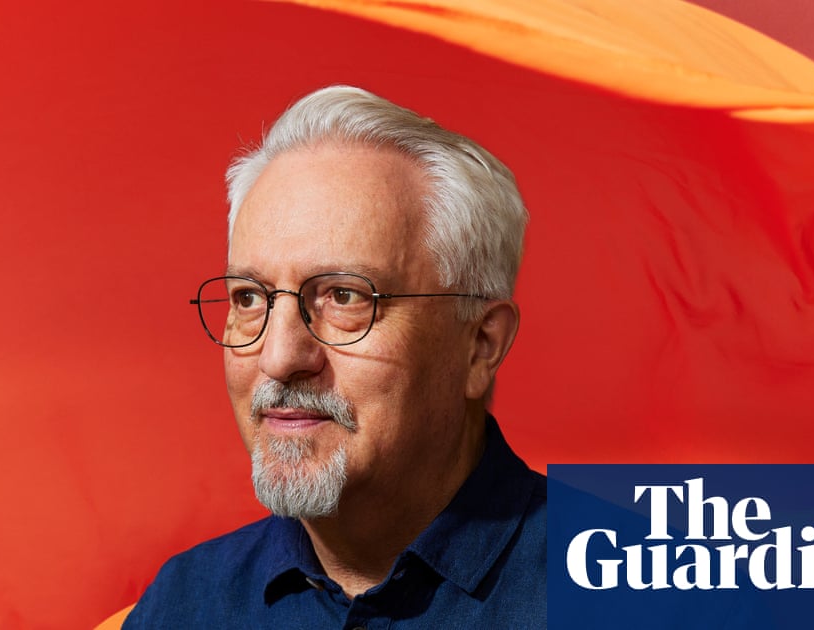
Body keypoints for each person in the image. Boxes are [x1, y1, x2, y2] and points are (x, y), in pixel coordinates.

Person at [122, 85, 542, 627]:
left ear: (481, 344)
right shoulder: (184, 603)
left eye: (344, 296)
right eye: (249, 298)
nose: (278, 358)